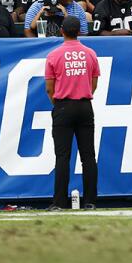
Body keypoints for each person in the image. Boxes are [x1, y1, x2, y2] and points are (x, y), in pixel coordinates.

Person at [44, 15, 100, 210]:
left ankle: (59, 202)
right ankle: (90, 201)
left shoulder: (54, 55)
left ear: (62, 31)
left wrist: (58, 103)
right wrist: (83, 94)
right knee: (88, 156)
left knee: (62, 157)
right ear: (80, 31)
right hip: (85, 105)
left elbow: (49, 88)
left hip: (63, 106)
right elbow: (94, 83)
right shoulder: (90, 53)